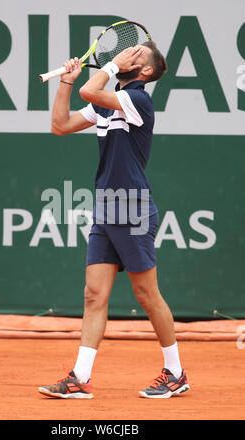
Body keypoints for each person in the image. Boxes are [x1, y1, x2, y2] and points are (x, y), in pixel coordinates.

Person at [38, 43, 190, 399]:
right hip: (105, 207)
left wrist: (107, 65)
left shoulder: (139, 100)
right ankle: (80, 377)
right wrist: (67, 83)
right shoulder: (106, 104)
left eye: (136, 56)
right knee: (94, 295)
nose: (128, 57)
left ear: (146, 72)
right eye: (128, 53)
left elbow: (94, 89)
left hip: (133, 207)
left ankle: (176, 372)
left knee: (146, 294)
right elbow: (59, 126)